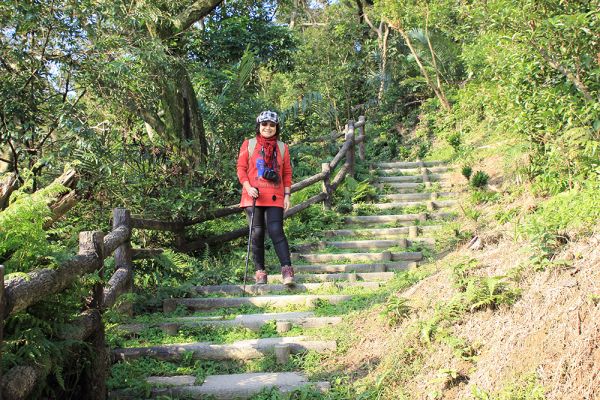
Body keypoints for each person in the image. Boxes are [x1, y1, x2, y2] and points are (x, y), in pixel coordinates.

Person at [237, 110, 294, 285]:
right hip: (253, 196)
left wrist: (287, 195)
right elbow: (241, 168)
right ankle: (260, 271)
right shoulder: (249, 144)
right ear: (259, 126)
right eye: (264, 124)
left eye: (272, 125)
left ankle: (287, 270)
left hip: (275, 195)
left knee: (277, 231)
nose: (268, 128)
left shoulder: (283, 147)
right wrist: (247, 187)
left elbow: (286, 173)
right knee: (257, 234)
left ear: (277, 127)